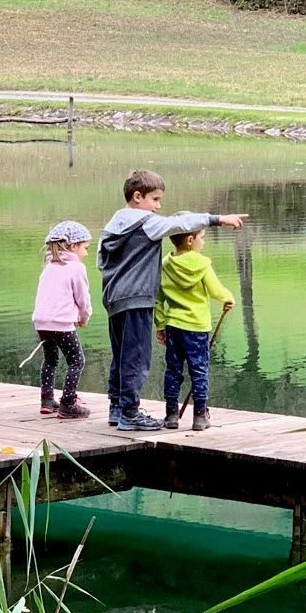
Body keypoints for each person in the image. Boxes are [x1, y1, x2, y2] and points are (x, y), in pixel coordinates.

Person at [98, 169, 246, 431]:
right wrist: (218, 219)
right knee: (137, 357)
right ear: (137, 197)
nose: (158, 207)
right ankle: (130, 413)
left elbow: (101, 261)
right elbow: (179, 224)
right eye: (155, 199)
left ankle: (116, 407)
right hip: (137, 300)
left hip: (114, 299)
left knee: (120, 354)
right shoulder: (145, 222)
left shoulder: (112, 224)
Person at [155, 227, 233, 431]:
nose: (203, 242)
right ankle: (199, 417)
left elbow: (157, 299)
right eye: (202, 238)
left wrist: (160, 324)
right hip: (197, 328)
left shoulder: (165, 265)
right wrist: (228, 297)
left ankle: (171, 415)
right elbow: (216, 291)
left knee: (173, 370)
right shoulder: (202, 264)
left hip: (173, 326)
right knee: (199, 371)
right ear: (190, 240)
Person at [31, 220, 93, 419]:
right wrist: (84, 317)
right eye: (85, 247)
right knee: (77, 361)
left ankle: (47, 400)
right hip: (61, 324)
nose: (86, 253)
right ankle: (68, 402)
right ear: (73, 246)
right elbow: (82, 298)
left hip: (42, 322)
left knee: (50, 359)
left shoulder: (49, 267)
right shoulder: (76, 268)